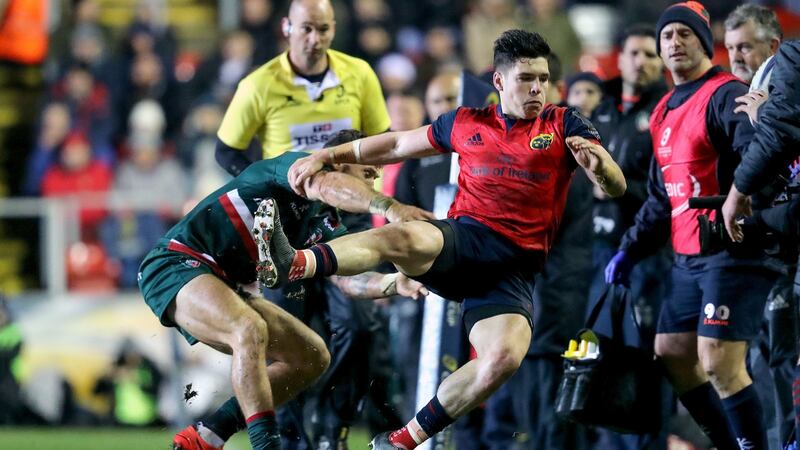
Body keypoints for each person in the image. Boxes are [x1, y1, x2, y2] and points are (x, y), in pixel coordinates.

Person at [265, 29, 626, 449]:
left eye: (543, 79)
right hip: (462, 242)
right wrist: (329, 156)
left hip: (512, 272)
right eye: (527, 78)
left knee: (503, 359)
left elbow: (616, 187)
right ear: (500, 82)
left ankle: (404, 438)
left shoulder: (564, 123)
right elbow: (399, 143)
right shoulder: (467, 123)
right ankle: (296, 263)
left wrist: (599, 167)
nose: (537, 88)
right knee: (403, 236)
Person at [138, 130, 432, 450]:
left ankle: (208, 436)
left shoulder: (327, 223)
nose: (377, 173)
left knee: (312, 356)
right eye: (368, 167)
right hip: (177, 262)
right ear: (341, 162)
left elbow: (348, 279)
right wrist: (387, 207)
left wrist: (394, 283)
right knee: (248, 328)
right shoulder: (297, 167)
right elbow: (324, 185)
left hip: (225, 283)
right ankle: (267, 446)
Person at [214, 1, 392, 446]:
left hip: (344, 221)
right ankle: (292, 440)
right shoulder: (260, 83)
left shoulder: (360, 75)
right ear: (287, 27)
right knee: (286, 340)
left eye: (325, 29)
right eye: (307, 29)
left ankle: (334, 428)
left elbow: (381, 143)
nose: (316, 39)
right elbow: (226, 150)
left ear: (334, 29)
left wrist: (372, 199)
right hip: (284, 226)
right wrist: (267, 184)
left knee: (358, 322)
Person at [604, 3, 779, 449]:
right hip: (685, 258)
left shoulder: (724, 93)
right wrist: (630, 249)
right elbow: (662, 197)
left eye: (685, 34)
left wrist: (740, 201)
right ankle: (727, 442)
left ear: (704, 41)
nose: (674, 43)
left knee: (718, 360)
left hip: (731, 251)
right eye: (667, 36)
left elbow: (756, 156)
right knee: (672, 353)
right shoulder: (662, 110)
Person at [587, 24, 671, 450]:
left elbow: (667, 190)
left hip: (646, 255)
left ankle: (648, 443)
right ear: (619, 58)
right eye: (634, 53)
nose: (642, 61)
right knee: (599, 354)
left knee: (642, 359)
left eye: (650, 55)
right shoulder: (601, 112)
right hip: (599, 252)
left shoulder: (664, 111)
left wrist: (619, 186)